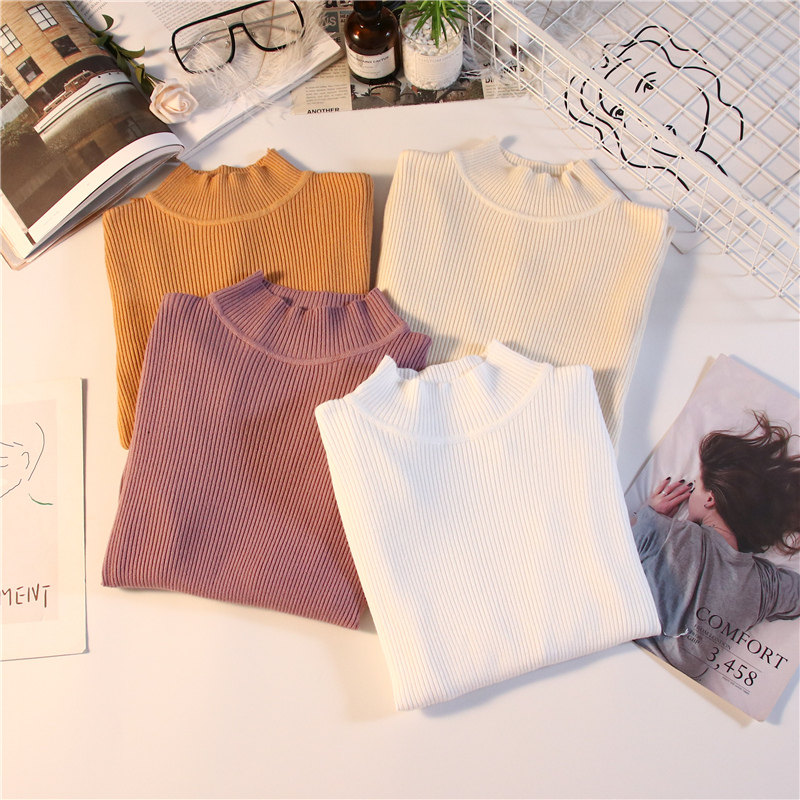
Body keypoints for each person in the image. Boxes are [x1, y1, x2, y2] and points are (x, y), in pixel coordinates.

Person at [631, 411, 800, 677]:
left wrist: (649, 513)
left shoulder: (660, 530)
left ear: (710, 499)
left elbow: (606, 556)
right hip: (678, 690)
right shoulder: (766, 586)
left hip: (623, 655)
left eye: (697, 485)